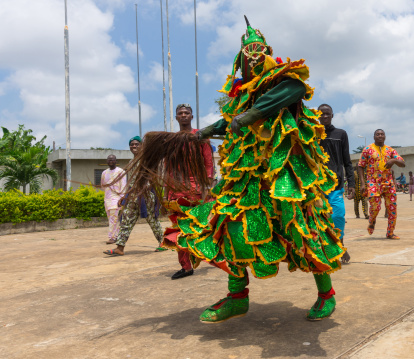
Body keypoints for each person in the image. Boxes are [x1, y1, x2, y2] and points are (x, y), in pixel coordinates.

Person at [125, 17, 347, 323]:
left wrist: (251, 115)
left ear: (268, 53)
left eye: (259, 52)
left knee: (300, 228)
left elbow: (295, 90)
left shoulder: (283, 80)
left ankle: (326, 294)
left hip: (285, 176)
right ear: (241, 60)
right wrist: (200, 133)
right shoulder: (241, 94)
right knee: (230, 225)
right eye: (248, 54)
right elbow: (228, 121)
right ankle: (237, 296)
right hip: (248, 177)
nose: (254, 59)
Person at [164, 104, 215, 280]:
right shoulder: (171, 140)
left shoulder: (200, 136)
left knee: (202, 225)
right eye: (180, 113)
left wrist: (207, 186)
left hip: (196, 188)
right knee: (179, 228)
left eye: (187, 113)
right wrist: (166, 192)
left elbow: (209, 162)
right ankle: (186, 267)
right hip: (176, 190)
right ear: (176, 118)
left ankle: (213, 256)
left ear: (192, 117)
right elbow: (168, 167)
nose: (184, 115)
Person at [103, 136, 164, 256]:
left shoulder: (147, 160)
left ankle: (163, 242)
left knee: (152, 220)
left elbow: (153, 175)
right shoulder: (131, 162)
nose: (134, 146)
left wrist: (146, 186)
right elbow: (131, 182)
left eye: (137, 144)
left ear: (142, 146)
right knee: (126, 219)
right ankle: (120, 247)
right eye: (132, 144)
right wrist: (124, 196)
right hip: (133, 196)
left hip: (146, 195)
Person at [317, 104, 354, 264]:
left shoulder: (341, 134)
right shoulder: (312, 134)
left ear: (332, 115)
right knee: (319, 220)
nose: (324, 116)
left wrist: (351, 183)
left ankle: (340, 244)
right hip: (316, 186)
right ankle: (325, 251)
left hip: (336, 186)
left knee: (338, 216)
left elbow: (347, 161)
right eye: (321, 114)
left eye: (327, 114)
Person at [358, 129, 405, 239]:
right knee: (376, 207)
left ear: (385, 137)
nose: (380, 136)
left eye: (382, 134)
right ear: (374, 137)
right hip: (373, 182)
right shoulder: (367, 149)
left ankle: (390, 232)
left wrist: (393, 161)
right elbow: (360, 166)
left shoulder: (390, 150)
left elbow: (402, 163)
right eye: (377, 134)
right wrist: (363, 184)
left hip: (388, 182)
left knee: (392, 208)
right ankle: (372, 220)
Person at [101, 155, 127, 244]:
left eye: (112, 160)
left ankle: (112, 237)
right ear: (106, 161)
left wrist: (121, 199)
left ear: (116, 161)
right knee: (111, 218)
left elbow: (123, 186)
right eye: (109, 160)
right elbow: (102, 185)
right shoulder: (104, 173)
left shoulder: (121, 172)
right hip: (107, 199)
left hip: (116, 198)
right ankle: (117, 235)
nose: (110, 161)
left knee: (113, 218)